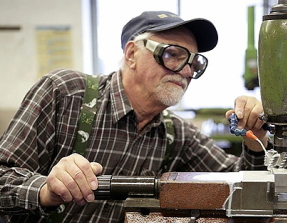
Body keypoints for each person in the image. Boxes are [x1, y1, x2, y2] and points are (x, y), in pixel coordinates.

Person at [0, 11, 269, 223]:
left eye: (195, 63)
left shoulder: (177, 135)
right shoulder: (64, 94)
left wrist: (256, 138)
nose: (187, 72)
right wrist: (46, 190)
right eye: (173, 54)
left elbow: (240, 183)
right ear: (131, 54)